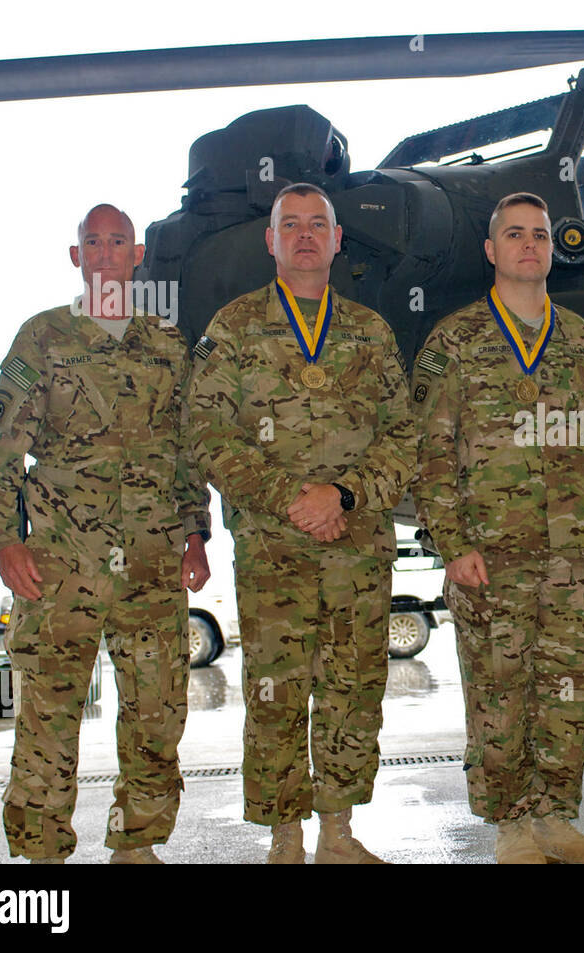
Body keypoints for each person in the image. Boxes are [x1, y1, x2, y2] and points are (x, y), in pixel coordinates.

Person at [0, 204, 211, 864]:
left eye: (118, 241)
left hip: (153, 563)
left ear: (137, 256)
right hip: (60, 563)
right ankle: (43, 854)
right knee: (49, 713)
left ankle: (139, 842)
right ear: (77, 257)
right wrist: (2, 539)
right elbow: (3, 441)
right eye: (92, 242)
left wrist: (197, 534)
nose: (105, 251)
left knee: (158, 711)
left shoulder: (167, 342)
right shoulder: (42, 337)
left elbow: (186, 446)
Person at [187, 183, 417, 863]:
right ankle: (284, 838)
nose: (307, 235)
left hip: (358, 546)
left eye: (320, 224)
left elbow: (403, 438)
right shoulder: (232, 329)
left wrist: (342, 496)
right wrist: (294, 498)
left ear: (339, 239)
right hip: (273, 549)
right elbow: (206, 432)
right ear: (272, 239)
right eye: (292, 224)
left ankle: (338, 834)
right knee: (277, 691)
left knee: (353, 688)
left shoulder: (370, 333)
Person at [412, 192, 584, 864]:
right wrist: (453, 541)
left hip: (570, 553)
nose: (529, 245)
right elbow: (428, 453)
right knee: (499, 693)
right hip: (490, 554)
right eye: (514, 234)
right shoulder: (456, 341)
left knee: (566, 690)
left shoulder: (582, 340)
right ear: (491, 250)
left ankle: (557, 816)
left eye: (539, 234)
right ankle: (510, 822)